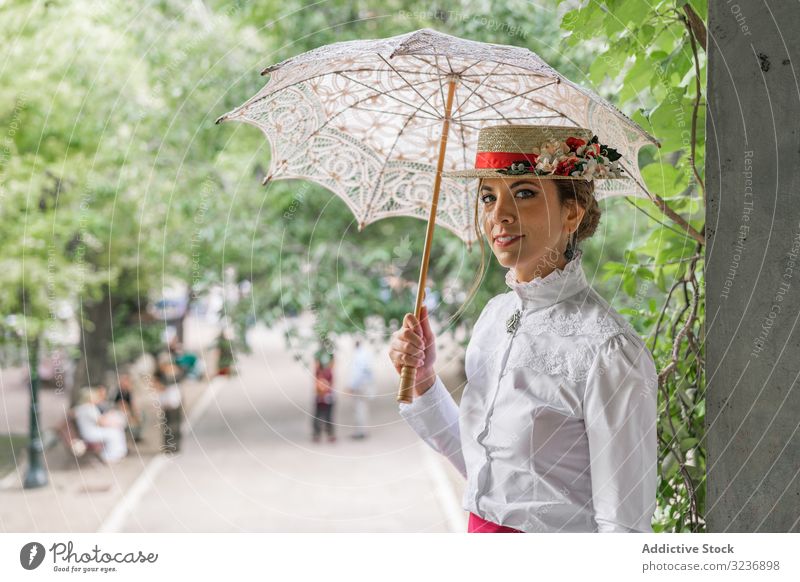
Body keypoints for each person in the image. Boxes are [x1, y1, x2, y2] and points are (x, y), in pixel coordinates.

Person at [389, 124, 658, 534]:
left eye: (525, 192)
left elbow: (623, 525)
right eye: (487, 196)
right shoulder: (494, 319)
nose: (498, 214)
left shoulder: (609, 350)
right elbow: (485, 469)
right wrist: (424, 380)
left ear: (573, 210)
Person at [72, 385, 128, 464]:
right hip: (91, 434)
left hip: (87, 432)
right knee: (115, 432)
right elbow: (101, 422)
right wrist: (114, 423)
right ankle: (109, 456)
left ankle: (116, 454)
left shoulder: (81, 408)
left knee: (115, 431)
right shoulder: (89, 408)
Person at [346, 339, 374, 439]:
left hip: (360, 386)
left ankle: (361, 431)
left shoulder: (358, 356)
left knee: (359, 409)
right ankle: (363, 430)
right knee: (363, 408)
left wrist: (351, 386)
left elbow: (357, 374)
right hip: (365, 385)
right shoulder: (365, 354)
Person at [312, 349, 336, 443]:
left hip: (326, 397)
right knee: (321, 416)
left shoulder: (327, 372)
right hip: (321, 397)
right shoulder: (320, 371)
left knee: (327, 417)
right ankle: (318, 433)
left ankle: (328, 434)